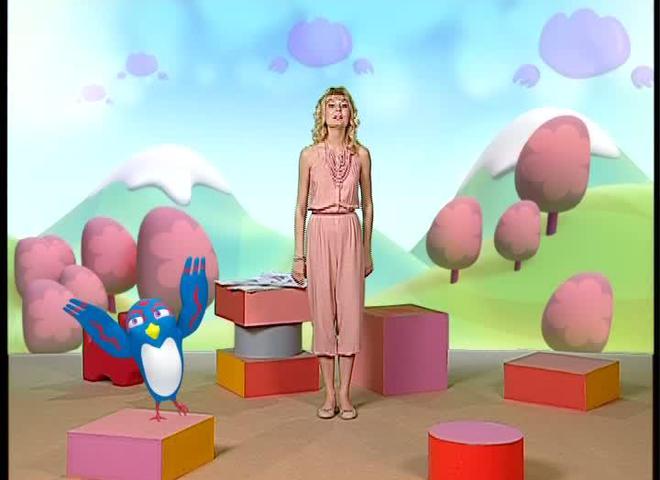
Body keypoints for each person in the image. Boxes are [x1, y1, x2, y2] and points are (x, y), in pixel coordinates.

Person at [292, 86, 374, 420]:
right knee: (323, 313)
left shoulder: (361, 155)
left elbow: (368, 204)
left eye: (343, 105)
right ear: (322, 114)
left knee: (350, 313)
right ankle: (328, 394)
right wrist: (299, 255)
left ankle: (345, 393)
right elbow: (300, 208)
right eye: (331, 105)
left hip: (350, 229)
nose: (338, 110)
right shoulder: (309, 155)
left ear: (351, 114)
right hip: (320, 229)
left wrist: (367, 250)